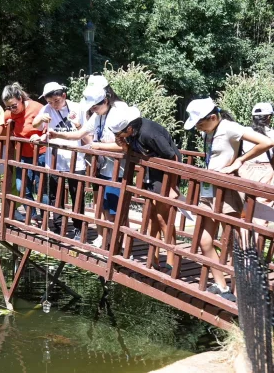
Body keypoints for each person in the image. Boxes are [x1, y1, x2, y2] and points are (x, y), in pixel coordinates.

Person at [184, 98, 274, 301]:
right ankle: (222, 286)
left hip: (226, 191)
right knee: (204, 239)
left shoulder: (229, 128)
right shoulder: (211, 131)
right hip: (209, 190)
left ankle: (241, 291)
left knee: (233, 241)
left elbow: (267, 142)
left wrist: (239, 161)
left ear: (213, 117)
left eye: (200, 123)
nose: (198, 127)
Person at [48, 83, 127, 247]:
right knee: (105, 210)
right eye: (91, 107)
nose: (93, 109)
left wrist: (98, 146)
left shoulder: (118, 115)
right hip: (103, 169)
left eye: (96, 106)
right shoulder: (98, 116)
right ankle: (110, 244)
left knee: (116, 213)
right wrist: (57, 134)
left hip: (118, 171)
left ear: (105, 100)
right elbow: (80, 133)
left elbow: (124, 147)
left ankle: (122, 248)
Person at [107, 106, 180, 271]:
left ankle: (172, 261)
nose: (116, 137)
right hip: (151, 173)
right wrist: (124, 145)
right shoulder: (133, 133)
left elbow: (172, 156)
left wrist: (172, 187)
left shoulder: (148, 133)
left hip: (165, 174)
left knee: (163, 218)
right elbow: (137, 152)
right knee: (153, 215)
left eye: (118, 134)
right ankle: (154, 257)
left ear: (130, 128)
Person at [32, 82, 88, 240]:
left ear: (64, 95)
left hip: (76, 160)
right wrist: (40, 118)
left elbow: (87, 130)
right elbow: (35, 124)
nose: (53, 105)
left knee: (77, 195)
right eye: (49, 102)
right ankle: (58, 228)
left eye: (56, 101)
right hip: (54, 159)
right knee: (54, 195)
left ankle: (79, 229)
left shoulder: (78, 108)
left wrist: (78, 125)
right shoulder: (47, 109)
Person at [2, 82, 46, 221]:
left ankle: (45, 219)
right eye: (8, 107)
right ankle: (32, 216)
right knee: (22, 187)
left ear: (20, 98)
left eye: (14, 105)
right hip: (23, 154)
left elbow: (48, 126)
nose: (11, 109)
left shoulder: (37, 108)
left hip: (41, 153)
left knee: (41, 188)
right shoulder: (9, 114)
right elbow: (4, 125)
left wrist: (40, 136)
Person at [238, 103, 274, 190]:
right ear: (269, 117)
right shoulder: (272, 134)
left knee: (245, 199)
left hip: (245, 168)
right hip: (265, 171)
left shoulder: (244, 131)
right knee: (263, 201)